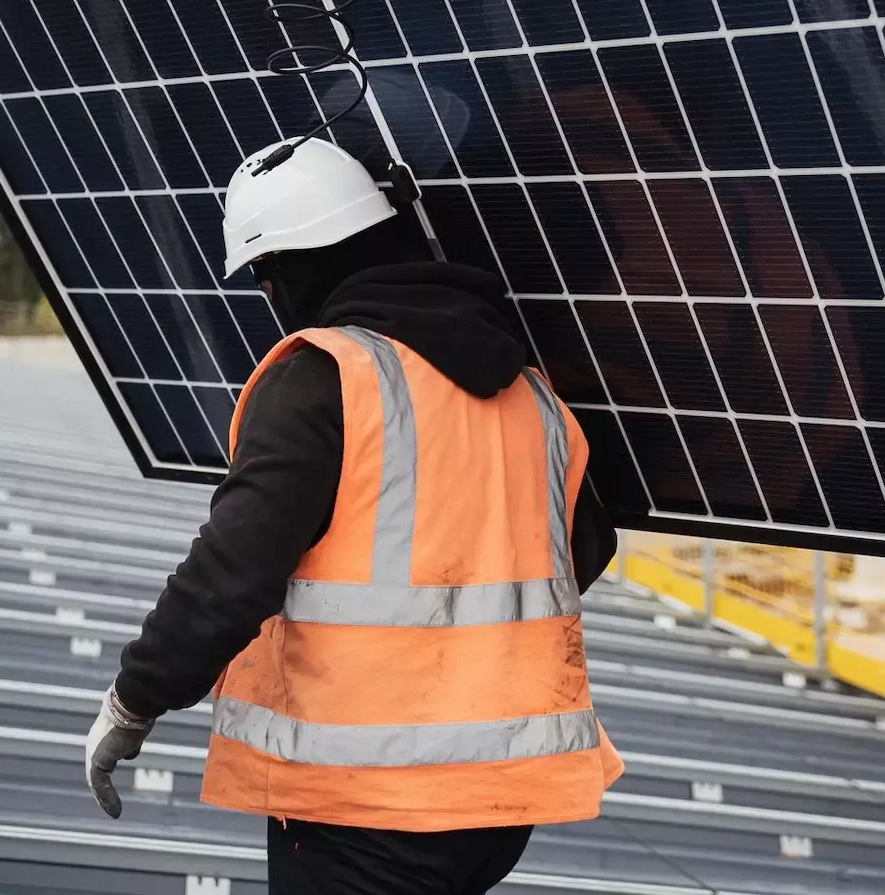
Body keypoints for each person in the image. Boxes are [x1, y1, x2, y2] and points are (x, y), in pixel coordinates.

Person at [84, 137, 622, 894]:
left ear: (297, 266)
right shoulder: (532, 393)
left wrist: (132, 701)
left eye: (269, 276)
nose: (270, 297)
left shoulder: (323, 375)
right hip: (498, 802)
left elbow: (230, 573)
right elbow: (582, 551)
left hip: (367, 801)